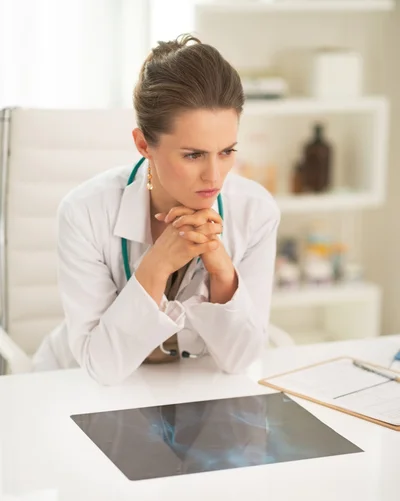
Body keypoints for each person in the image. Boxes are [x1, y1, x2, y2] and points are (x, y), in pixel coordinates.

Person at [33, 34, 280, 385]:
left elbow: (240, 359)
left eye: (226, 152)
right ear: (143, 144)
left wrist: (222, 271)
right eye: (193, 154)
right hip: (72, 387)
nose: (215, 176)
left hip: (181, 391)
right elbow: (101, 367)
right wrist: (159, 263)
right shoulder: (84, 212)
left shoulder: (255, 212)